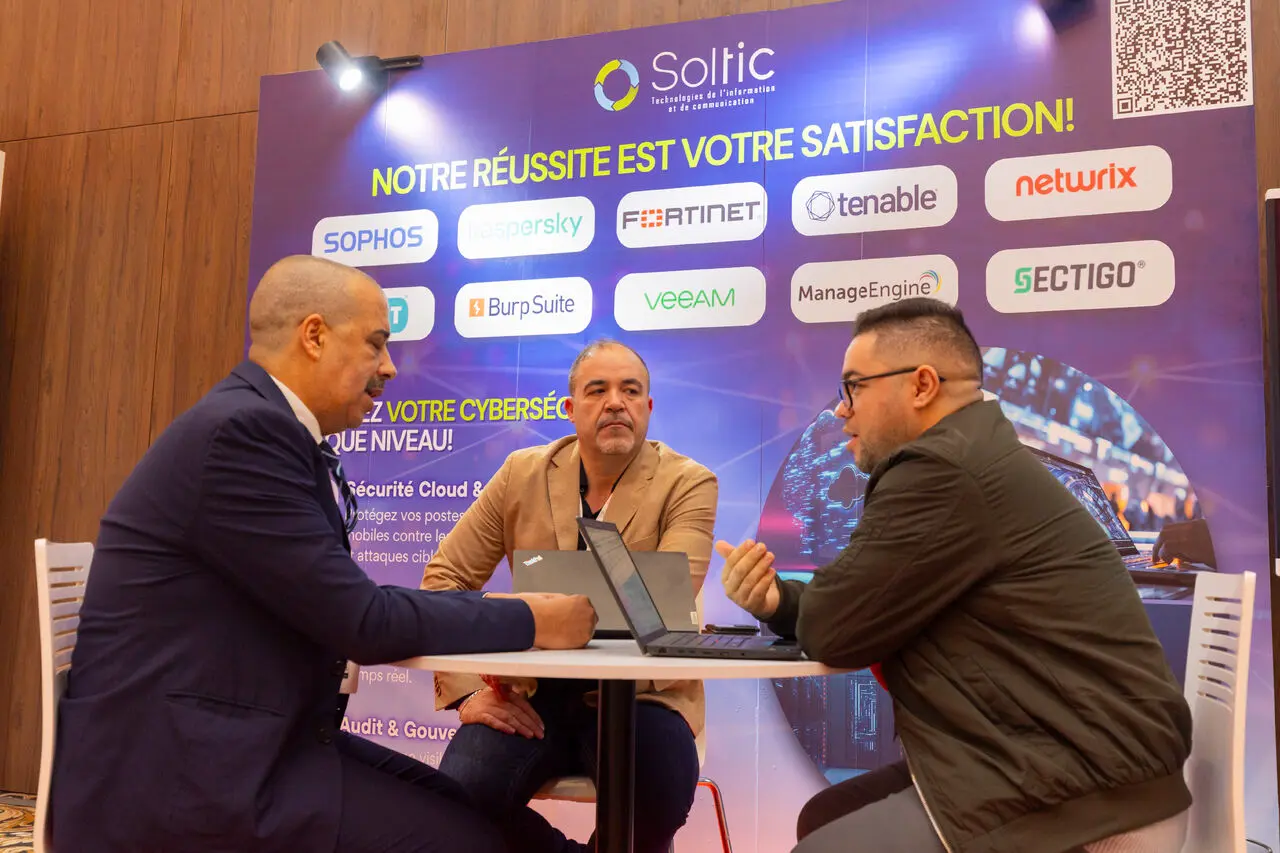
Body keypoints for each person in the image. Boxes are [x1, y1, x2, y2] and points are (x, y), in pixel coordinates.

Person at [50, 255, 597, 853]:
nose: (389, 367)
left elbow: (347, 606)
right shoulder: (242, 435)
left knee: (480, 813)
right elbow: (363, 620)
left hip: (249, 739)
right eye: (375, 344)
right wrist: (531, 618)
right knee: (472, 841)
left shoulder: (260, 427)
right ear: (314, 336)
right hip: (189, 773)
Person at [716, 298, 1193, 853]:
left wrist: (805, 609)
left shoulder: (941, 470)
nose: (841, 411)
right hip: (1067, 762)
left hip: (1080, 792)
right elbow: (862, 601)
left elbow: (834, 630)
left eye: (854, 387)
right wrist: (778, 603)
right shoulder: (974, 456)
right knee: (824, 817)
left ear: (921, 385)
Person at [421, 339, 717, 853]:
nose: (615, 403)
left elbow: (668, 597)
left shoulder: (688, 483)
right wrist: (470, 692)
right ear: (570, 408)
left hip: (643, 697)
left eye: (630, 391)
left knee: (660, 793)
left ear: (648, 407)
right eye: (597, 390)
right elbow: (445, 579)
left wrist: (515, 613)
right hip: (532, 694)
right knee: (459, 798)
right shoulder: (521, 473)